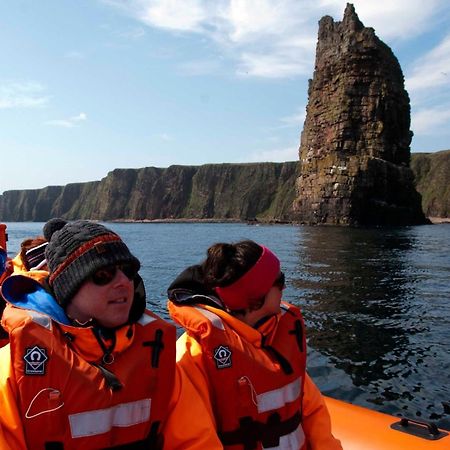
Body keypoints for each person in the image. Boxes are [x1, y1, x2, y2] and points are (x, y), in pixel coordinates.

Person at [0, 218, 222, 450]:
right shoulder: (12, 369)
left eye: (127, 272)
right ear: (68, 288)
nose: (123, 282)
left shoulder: (159, 356)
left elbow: (196, 441)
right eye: (103, 275)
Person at [167, 240, 342, 450]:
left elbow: (314, 412)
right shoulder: (193, 357)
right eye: (279, 280)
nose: (285, 287)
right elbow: (196, 442)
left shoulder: (280, 337)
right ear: (256, 297)